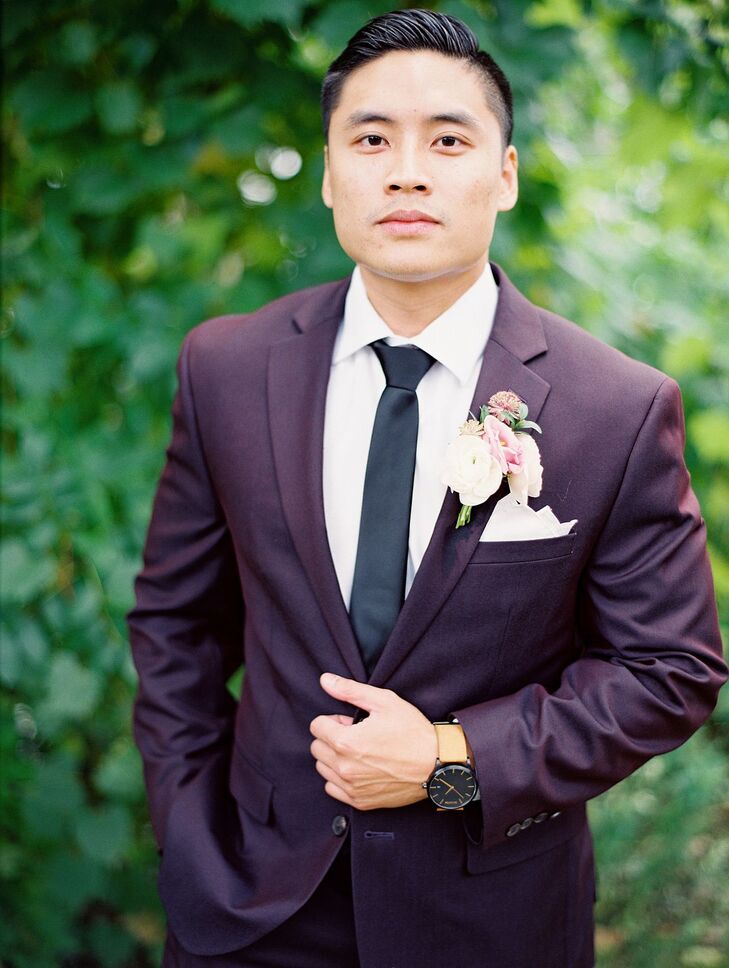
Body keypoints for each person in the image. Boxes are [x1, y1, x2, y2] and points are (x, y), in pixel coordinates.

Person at [126, 8, 728, 968]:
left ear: (504, 174)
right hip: (248, 907)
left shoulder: (611, 407)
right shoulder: (227, 368)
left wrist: (452, 762)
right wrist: (187, 832)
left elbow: (668, 674)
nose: (406, 170)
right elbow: (174, 623)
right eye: (370, 139)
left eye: (447, 139)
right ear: (328, 174)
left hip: (488, 921)